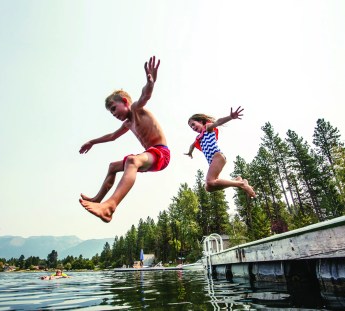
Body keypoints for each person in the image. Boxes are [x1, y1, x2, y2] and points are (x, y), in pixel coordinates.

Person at [79, 56, 170, 223]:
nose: (114, 114)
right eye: (111, 113)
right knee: (113, 167)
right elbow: (112, 136)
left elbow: (146, 95)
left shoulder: (136, 109)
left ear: (125, 102)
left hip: (161, 154)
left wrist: (151, 82)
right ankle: (98, 199)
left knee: (131, 161)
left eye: (114, 109)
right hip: (149, 154)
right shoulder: (128, 123)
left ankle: (110, 207)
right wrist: (92, 141)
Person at [184, 107, 256, 198]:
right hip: (212, 161)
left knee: (210, 181)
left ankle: (241, 184)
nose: (193, 127)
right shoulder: (198, 138)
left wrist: (230, 117)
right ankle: (238, 181)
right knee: (209, 187)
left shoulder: (207, 128)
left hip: (217, 156)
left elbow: (218, 122)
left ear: (201, 121)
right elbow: (192, 145)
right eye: (191, 127)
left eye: (193, 124)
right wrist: (190, 152)